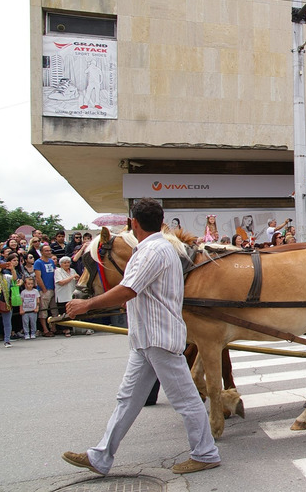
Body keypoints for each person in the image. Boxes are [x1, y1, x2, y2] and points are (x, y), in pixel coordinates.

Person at [61, 198, 221, 476]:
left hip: (158, 337)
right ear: (160, 222)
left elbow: (127, 289)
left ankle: (205, 453)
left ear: (133, 223)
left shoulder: (152, 251)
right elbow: (137, 291)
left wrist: (86, 304)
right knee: (128, 399)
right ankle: (100, 456)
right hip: (146, 338)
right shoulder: (157, 247)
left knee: (185, 401)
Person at [35, 245, 58, 337]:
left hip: (53, 288)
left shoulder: (51, 261)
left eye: (49, 250)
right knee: (43, 310)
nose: (49, 252)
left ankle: (53, 328)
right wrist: (43, 288)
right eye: (46, 251)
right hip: (44, 289)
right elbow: (38, 277)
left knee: (54, 310)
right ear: (42, 252)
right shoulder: (38, 262)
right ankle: (45, 329)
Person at [54, 256, 81, 337]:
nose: (67, 264)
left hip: (71, 294)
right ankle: (65, 329)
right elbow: (60, 282)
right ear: (61, 264)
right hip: (62, 295)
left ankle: (73, 328)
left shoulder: (72, 270)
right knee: (63, 312)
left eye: (68, 262)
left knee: (72, 312)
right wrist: (72, 277)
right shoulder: (58, 271)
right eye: (65, 263)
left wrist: (76, 278)